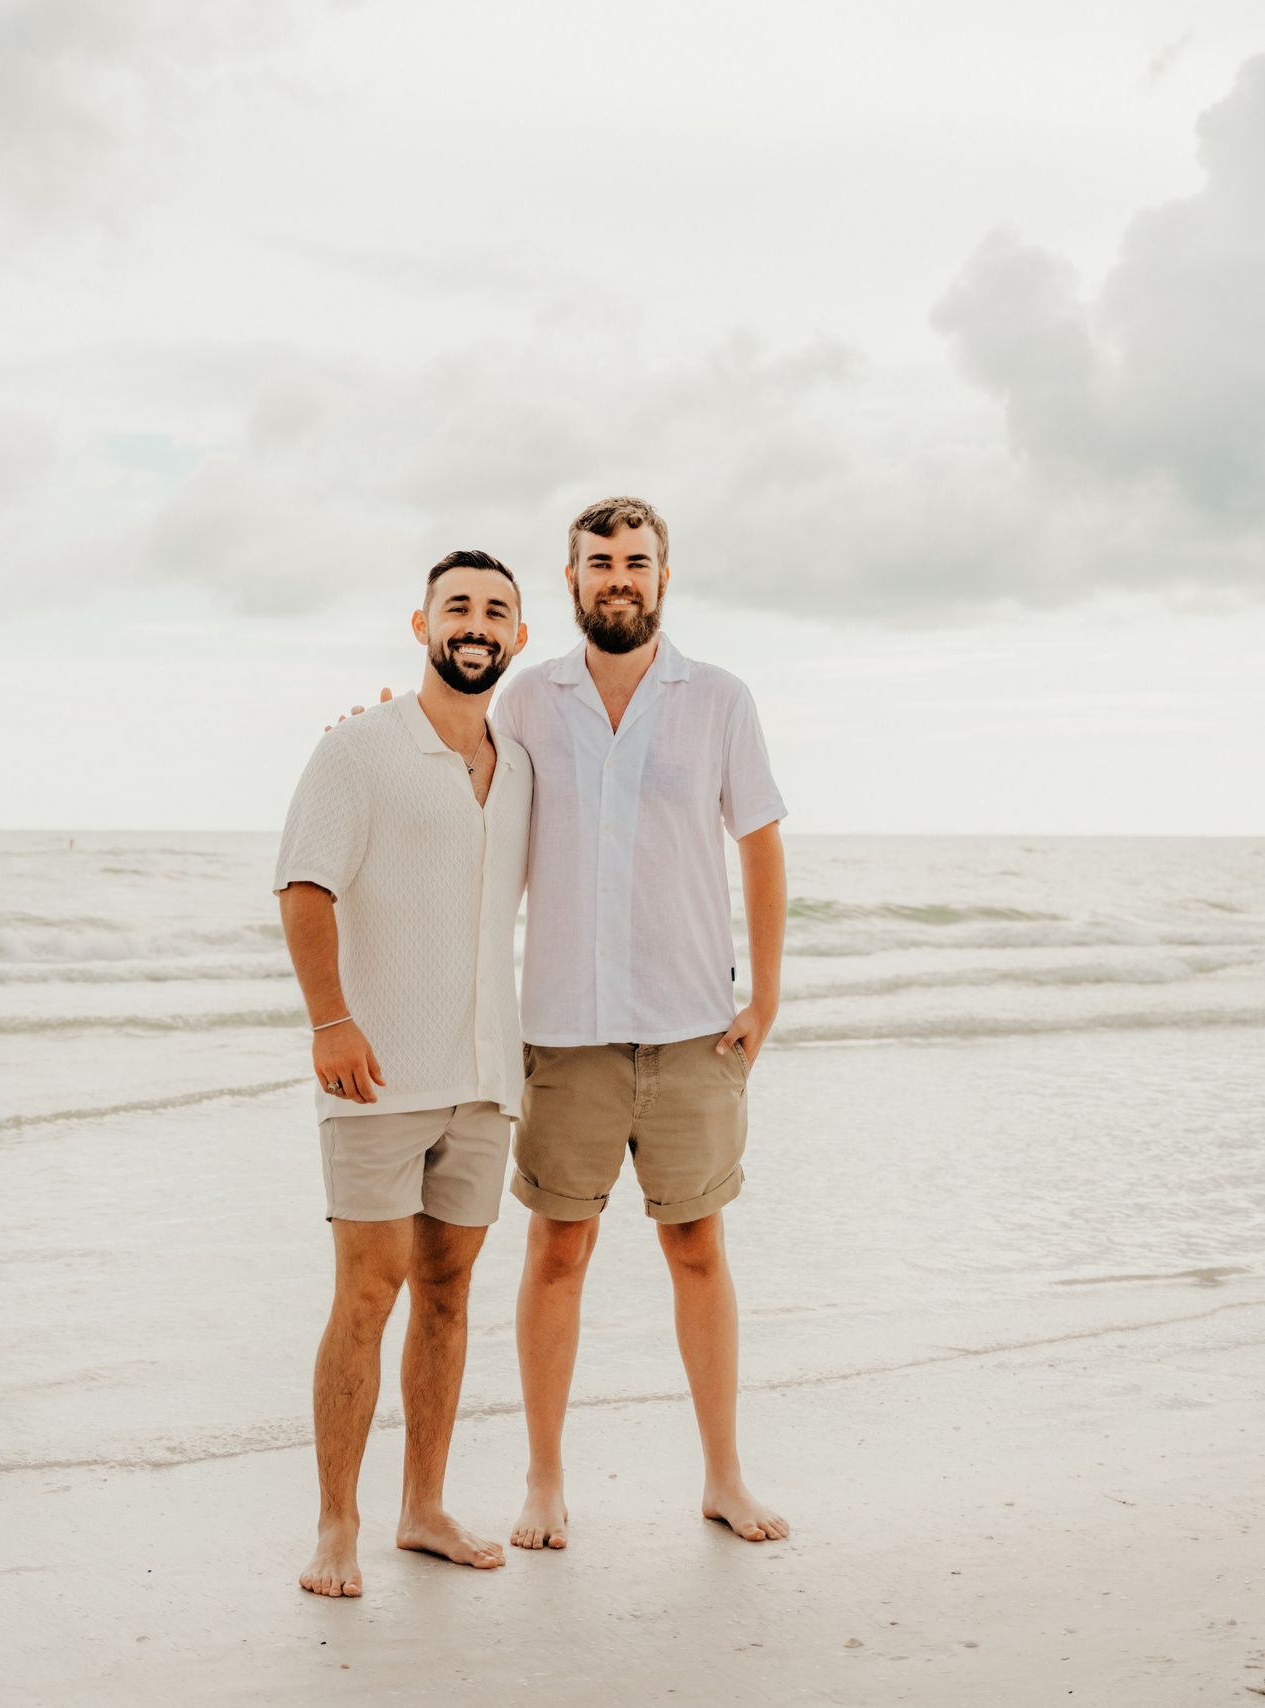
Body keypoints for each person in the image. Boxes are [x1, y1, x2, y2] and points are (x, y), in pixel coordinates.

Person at [495, 496, 792, 1549]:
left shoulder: (717, 700)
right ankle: (542, 1483)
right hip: (564, 1033)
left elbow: (758, 843)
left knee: (696, 1248)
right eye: (598, 560)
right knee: (556, 1250)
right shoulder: (526, 703)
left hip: (689, 1031)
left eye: (636, 559)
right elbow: (463, 810)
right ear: (568, 580)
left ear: (664, 576)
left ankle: (723, 1477)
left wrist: (764, 997)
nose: (618, 575)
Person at [273, 549, 533, 1597]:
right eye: (457, 606)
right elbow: (303, 887)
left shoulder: (522, 764)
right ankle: (335, 1524)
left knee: (449, 1291)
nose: (475, 623)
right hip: (376, 1075)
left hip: (482, 1076)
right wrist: (329, 1019)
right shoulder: (357, 749)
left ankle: (422, 1507)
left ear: (517, 638)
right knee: (366, 1292)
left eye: (496, 611)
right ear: (421, 624)